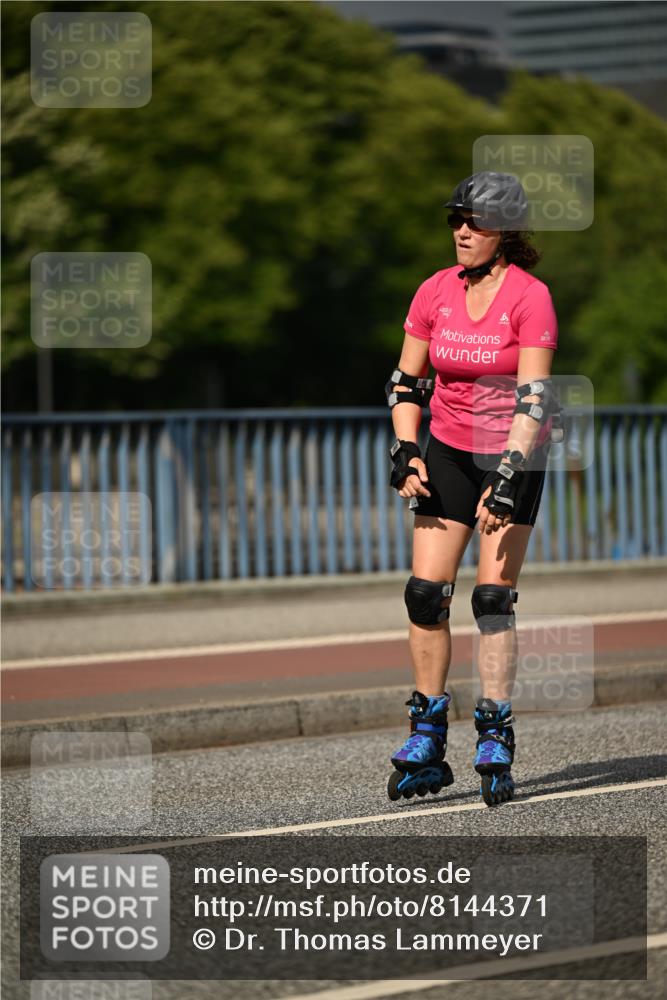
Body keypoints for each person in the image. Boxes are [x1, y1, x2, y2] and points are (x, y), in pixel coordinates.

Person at [385, 171, 560, 806]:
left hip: (515, 453)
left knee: (491, 598)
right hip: (450, 450)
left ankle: (494, 731)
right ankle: (428, 733)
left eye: (476, 223)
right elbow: (407, 382)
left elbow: (534, 396)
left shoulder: (530, 297)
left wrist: (511, 474)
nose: (463, 231)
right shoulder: (434, 291)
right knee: (425, 595)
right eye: (457, 219)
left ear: (505, 233)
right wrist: (406, 448)